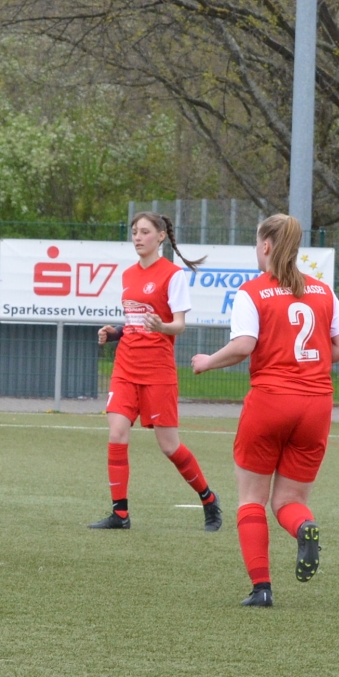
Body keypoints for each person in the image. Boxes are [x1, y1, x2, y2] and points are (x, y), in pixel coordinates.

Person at [191, 214, 339, 607]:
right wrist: (309, 364)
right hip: (316, 405)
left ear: (265, 245)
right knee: (288, 501)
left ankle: (261, 588)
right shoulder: (322, 290)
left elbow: (243, 345)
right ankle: (303, 526)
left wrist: (207, 361)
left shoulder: (253, 291)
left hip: (270, 401)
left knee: (252, 498)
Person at [89, 212, 221, 531]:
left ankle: (208, 498)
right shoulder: (128, 274)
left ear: (161, 236)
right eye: (134, 231)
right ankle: (120, 514)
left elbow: (179, 325)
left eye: (144, 232)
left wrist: (163, 326)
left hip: (157, 370)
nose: (137, 237)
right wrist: (115, 332)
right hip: (125, 366)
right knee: (117, 433)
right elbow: (135, 323)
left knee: (169, 446)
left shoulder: (172, 275)